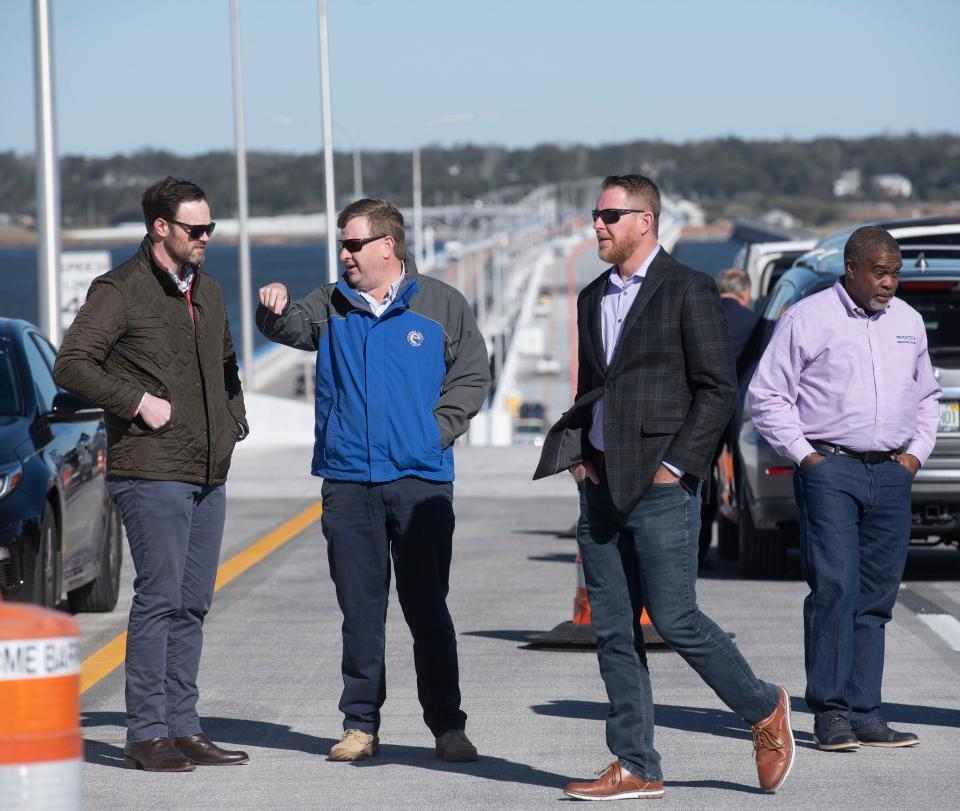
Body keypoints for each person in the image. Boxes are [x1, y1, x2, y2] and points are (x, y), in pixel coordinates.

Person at [536, 174, 794, 800]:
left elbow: (717, 389)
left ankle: (763, 709)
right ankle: (636, 764)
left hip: (661, 484)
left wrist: (676, 467)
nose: (596, 225)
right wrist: (578, 457)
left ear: (644, 220)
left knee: (675, 618)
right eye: (595, 215)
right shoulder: (592, 295)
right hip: (599, 483)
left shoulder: (689, 290)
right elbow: (592, 386)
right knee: (615, 628)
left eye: (609, 215)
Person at [256, 198, 490, 763]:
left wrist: (431, 434)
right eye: (342, 244)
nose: (344, 255)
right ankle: (360, 726)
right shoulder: (330, 303)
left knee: (427, 608)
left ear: (388, 245)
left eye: (353, 244)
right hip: (348, 482)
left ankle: (447, 726)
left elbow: (472, 374)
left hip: (419, 482)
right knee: (360, 612)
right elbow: (290, 328)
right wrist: (271, 308)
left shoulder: (441, 305)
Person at [54, 176, 249, 772]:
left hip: (208, 469)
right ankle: (145, 733)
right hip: (152, 468)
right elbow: (71, 365)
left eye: (211, 228)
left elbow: (226, 365)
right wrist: (137, 401)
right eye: (197, 229)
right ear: (160, 227)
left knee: (193, 603)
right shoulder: (120, 290)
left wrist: (235, 419)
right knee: (160, 599)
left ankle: (184, 727)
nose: (206, 238)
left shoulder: (208, 291)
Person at [749, 226, 940, 751]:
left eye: (896, 273)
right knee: (835, 590)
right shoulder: (808, 317)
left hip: (892, 475)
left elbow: (928, 397)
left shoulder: (908, 321)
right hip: (831, 469)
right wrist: (807, 457)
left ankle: (866, 712)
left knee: (877, 598)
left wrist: (912, 458)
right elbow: (767, 396)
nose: (889, 283)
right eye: (880, 272)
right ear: (851, 268)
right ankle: (830, 713)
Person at [698, 268, 759, 564]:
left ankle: (698, 549)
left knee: (702, 479)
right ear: (745, 293)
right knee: (743, 479)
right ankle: (741, 542)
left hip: (701, 409)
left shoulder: (701, 316)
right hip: (737, 410)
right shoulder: (754, 323)